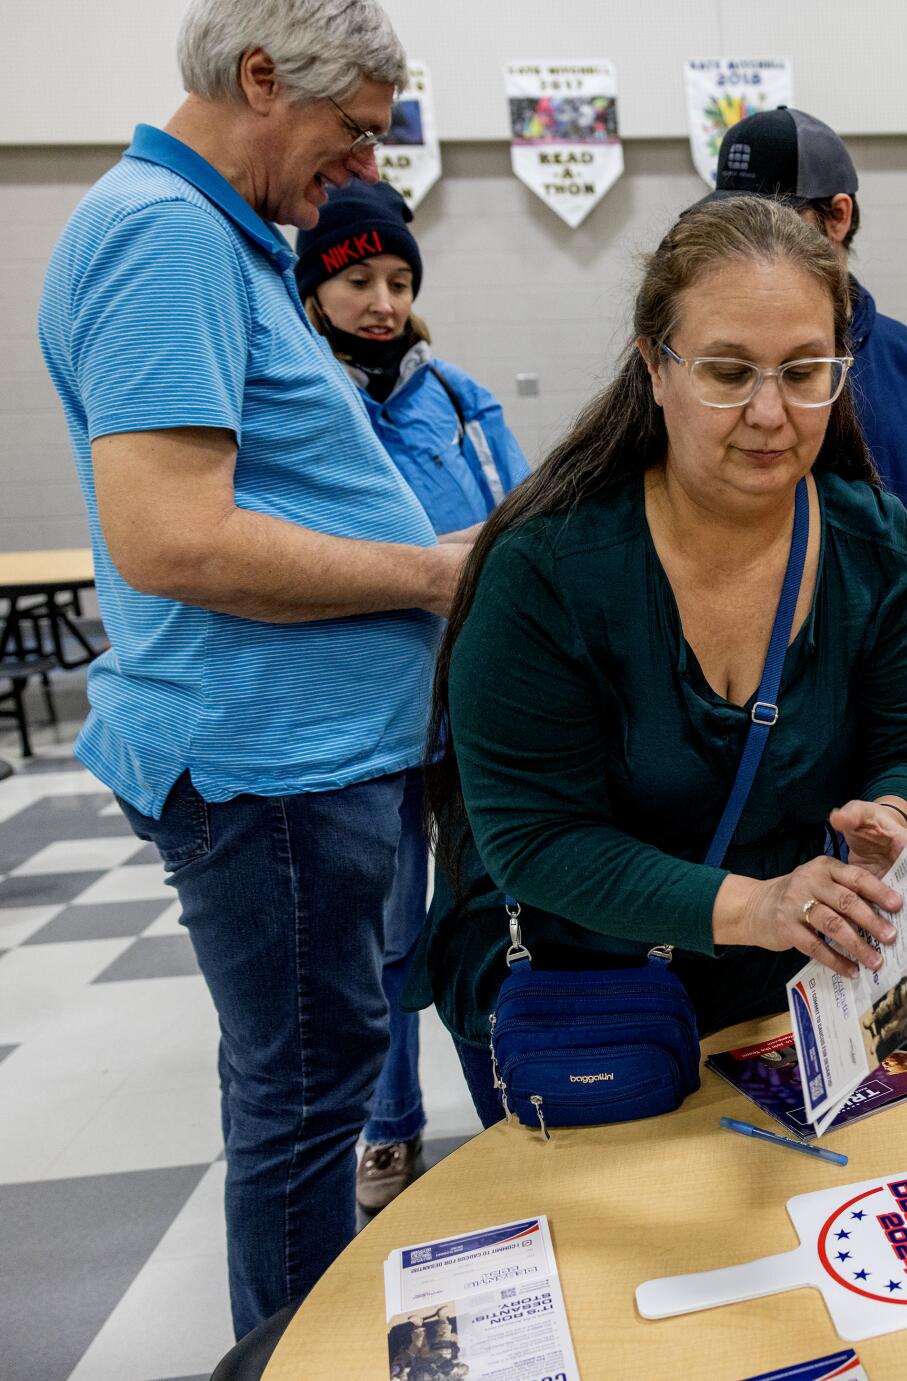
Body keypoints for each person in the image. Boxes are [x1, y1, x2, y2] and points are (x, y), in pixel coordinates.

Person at [36, 0, 458, 1338]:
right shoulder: (164, 239)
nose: (367, 174)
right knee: (301, 1101)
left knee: (315, 1078)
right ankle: (292, 1357)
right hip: (266, 764)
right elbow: (175, 539)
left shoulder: (220, 239)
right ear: (262, 79)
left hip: (300, 750)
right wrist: (430, 573)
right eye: (352, 137)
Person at [407, 196, 907, 1126]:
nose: (771, 413)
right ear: (654, 366)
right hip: (583, 992)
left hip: (782, 995)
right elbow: (535, 840)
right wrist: (759, 905)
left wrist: (892, 812)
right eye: (729, 372)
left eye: (805, 371)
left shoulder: (880, 545)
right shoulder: (547, 570)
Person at [295, 179, 532, 1211]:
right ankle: (390, 1126)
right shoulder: (305, 396)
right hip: (366, 717)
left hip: (472, 708)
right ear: (316, 288)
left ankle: (511, 1111)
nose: (380, 300)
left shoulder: (459, 400)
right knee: (389, 939)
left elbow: (522, 524)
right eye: (356, 280)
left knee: (490, 912)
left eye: (396, 279)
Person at [693, 106, 907, 637]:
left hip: (883, 686)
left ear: (838, 216)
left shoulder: (906, 360)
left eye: (776, 219)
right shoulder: (692, 363)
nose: (752, 241)